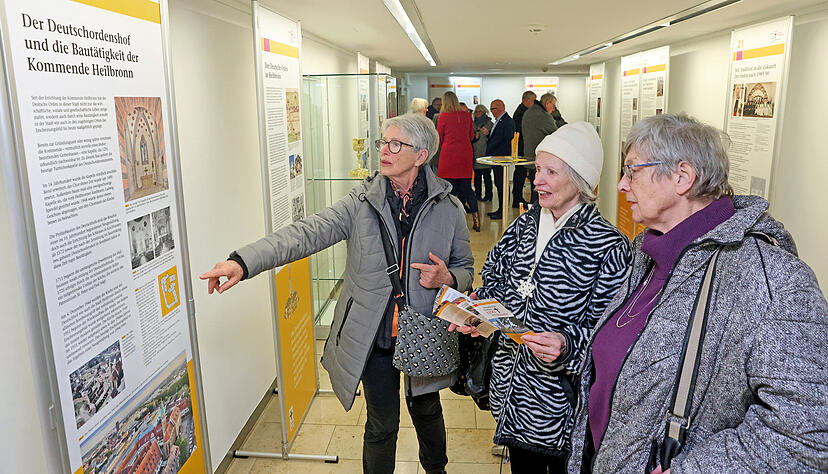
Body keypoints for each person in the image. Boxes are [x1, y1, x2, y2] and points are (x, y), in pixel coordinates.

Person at [200, 113, 475, 474]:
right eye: (383, 143)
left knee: (427, 411)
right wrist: (243, 262)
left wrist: (448, 277)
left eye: (395, 144)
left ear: (421, 155)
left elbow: (466, 268)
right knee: (382, 424)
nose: (384, 151)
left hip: (423, 333)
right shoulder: (360, 203)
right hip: (373, 335)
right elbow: (305, 233)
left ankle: (436, 470)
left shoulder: (449, 209)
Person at [567, 114, 828, 473]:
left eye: (632, 171)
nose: (622, 185)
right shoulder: (648, 253)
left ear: (682, 177)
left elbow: (807, 436)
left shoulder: (774, 280)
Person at [454, 122, 632, 472]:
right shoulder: (524, 226)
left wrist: (567, 344)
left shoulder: (608, 246)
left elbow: (610, 332)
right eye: (537, 170)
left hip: (560, 406)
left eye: (551, 171)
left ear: (579, 180)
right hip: (510, 393)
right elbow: (495, 277)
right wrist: (478, 312)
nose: (537, 180)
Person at [436, 91, 479, 231]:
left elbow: (439, 138)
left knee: (448, 190)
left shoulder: (443, 116)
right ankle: (476, 219)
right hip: (465, 155)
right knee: (467, 188)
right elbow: (471, 136)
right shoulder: (467, 116)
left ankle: (451, 220)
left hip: (449, 155)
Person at [521, 92, 559, 204]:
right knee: (539, 192)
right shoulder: (543, 116)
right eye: (553, 105)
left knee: (535, 187)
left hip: (530, 156)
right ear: (547, 103)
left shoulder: (529, 112)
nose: (554, 108)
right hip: (540, 159)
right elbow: (555, 134)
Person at [481, 99, 515, 220]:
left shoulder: (507, 121)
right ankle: (501, 209)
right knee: (499, 184)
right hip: (497, 158)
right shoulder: (499, 120)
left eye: (493, 109)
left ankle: (503, 211)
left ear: (501, 107)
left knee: (502, 185)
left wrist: (496, 151)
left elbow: (507, 139)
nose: (491, 111)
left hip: (501, 158)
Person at [511, 91, 540, 208]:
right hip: (522, 148)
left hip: (522, 147)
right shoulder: (522, 113)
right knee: (520, 173)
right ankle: (517, 198)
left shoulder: (523, 111)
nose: (535, 103)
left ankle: (517, 197)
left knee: (521, 173)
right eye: (533, 100)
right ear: (526, 100)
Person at [472, 104, 494, 202]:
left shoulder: (490, 124)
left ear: (484, 112)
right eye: (476, 111)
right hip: (475, 154)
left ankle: (488, 195)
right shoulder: (472, 124)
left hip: (486, 154)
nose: (477, 113)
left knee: (487, 177)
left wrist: (488, 134)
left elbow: (494, 139)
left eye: (480, 111)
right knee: (477, 177)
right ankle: (477, 195)